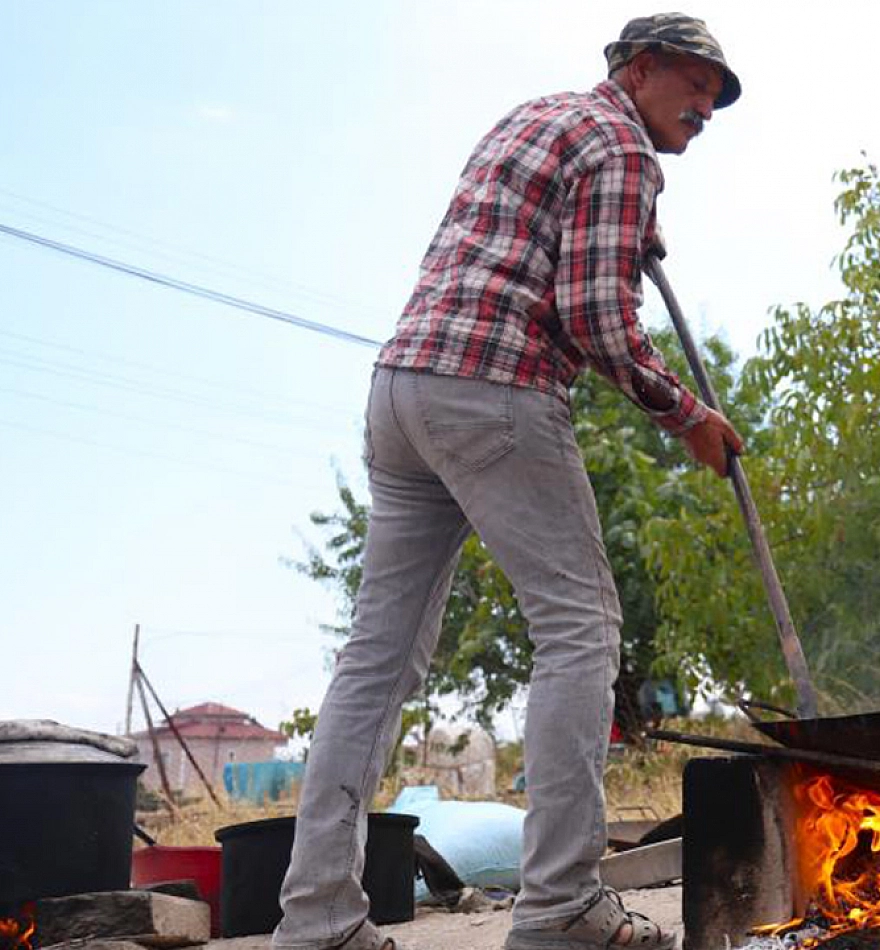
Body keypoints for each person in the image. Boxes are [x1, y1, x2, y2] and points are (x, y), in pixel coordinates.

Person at [270, 14, 743, 950]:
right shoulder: (620, 146)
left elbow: (514, 244)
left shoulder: (535, 118)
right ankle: (563, 905)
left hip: (402, 389)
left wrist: (622, 231)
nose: (707, 108)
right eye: (695, 84)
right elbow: (596, 317)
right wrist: (687, 414)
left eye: (717, 96)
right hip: (496, 390)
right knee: (580, 628)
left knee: (377, 660)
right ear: (639, 69)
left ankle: (317, 917)